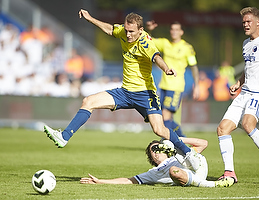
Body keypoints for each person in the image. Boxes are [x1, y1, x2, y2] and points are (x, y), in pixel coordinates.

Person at [43, 9, 201, 172]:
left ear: (140, 30)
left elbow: (157, 57)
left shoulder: (145, 43)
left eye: (132, 31)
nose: (128, 34)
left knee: (159, 129)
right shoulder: (123, 32)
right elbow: (111, 29)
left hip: (145, 94)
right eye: (126, 30)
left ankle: (189, 154)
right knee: (88, 101)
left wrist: (166, 69)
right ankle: (64, 137)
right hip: (125, 92)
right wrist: (90, 18)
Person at [216, 7, 259, 183]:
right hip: (244, 94)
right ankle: (229, 172)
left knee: (248, 124)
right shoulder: (246, 43)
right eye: (243, 22)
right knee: (222, 129)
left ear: (258, 22)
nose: (245, 25)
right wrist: (238, 83)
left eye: (248, 22)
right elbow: (248, 70)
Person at [80, 138, 234, 188]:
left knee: (181, 157)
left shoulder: (175, 154)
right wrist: (100, 181)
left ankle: (180, 150)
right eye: (153, 151)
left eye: (159, 148)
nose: (156, 152)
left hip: (196, 164)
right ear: (152, 158)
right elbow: (129, 180)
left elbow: (203, 143)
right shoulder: (154, 172)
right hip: (190, 177)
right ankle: (214, 185)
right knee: (174, 170)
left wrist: (174, 139)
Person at [146, 21, 200, 137]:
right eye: (172, 29)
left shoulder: (186, 48)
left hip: (176, 86)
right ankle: (177, 141)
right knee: (163, 117)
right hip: (164, 85)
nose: (174, 32)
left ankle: (182, 140)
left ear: (181, 32)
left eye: (176, 29)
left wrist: (197, 86)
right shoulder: (165, 43)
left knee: (165, 116)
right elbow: (148, 40)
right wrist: (149, 29)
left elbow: (194, 66)